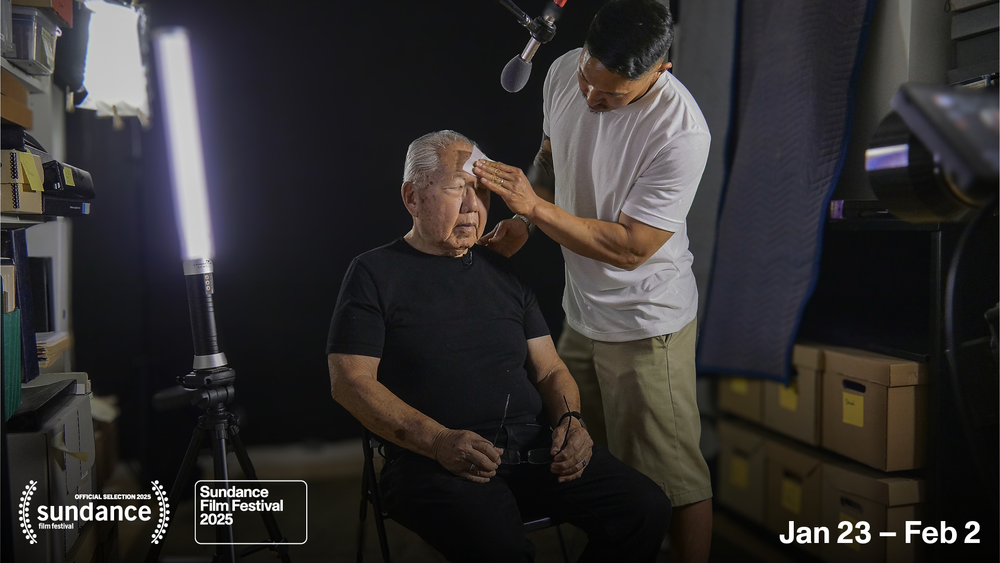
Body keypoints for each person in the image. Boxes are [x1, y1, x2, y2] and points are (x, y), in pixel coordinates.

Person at [326, 130, 671, 563]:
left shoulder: (501, 272)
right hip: (432, 461)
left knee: (645, 509)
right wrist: (438, 440)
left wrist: (571, 421)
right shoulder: (375, 273)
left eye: (483, 192)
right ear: (412, 197)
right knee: (503, 551)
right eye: (458, 189)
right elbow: (349, 382)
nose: (474, 207)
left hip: (534, 450)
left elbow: (550, 369)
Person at [471, 1, 713, 561]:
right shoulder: (563, 72)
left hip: (645, 323)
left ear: (660, 71)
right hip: (582, 314)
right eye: (588, 79)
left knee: (674, 481)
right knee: (586, 462)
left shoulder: (680, 132)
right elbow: (550, 160)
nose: (590, 98)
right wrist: (524, 224)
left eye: (611, 95)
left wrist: (533, 208)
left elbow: (630, 248)